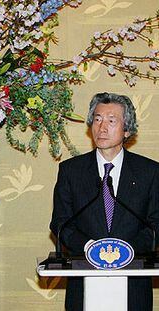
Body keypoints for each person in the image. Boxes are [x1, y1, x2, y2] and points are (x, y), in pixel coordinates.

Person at [50, 92, 159, 311]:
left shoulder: (150, 172)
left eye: (111, 121)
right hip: (84, 280)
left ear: (126, 129)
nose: (102, 127)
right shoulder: (71, 171)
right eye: (97, 119)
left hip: (134, 285)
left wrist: (124, 250)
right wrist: (91, 248)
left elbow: (156, 224)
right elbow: (60, 223)